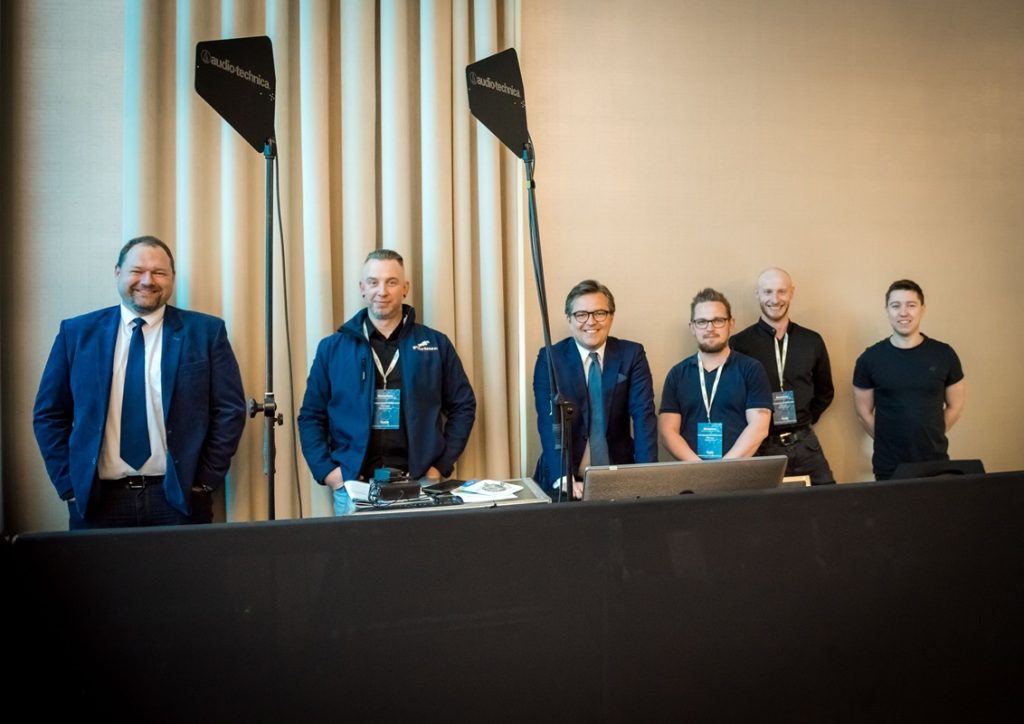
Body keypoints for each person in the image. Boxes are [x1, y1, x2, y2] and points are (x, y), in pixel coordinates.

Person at [33, 235, 247, 529]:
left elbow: (229, 411)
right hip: (97, 500)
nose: (147, 281)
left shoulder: (206, 333)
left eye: (159, 272)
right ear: (117, 272)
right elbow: (49, 414)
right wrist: (69, 484)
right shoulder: (77, 334)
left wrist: (205, 480)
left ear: (172, 278)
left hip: (178, 499)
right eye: (137, 271)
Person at [297, 249, 476, 515]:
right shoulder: (332, 349)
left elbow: (464, 406)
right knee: (357, 546)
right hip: (354, 487)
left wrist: (439, 466)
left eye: (391, 282)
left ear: (405, 288)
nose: (382, 291)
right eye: (373, 282)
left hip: (420, 484)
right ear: (362, 288)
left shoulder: (435, 344)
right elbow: (311, 416)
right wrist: (330, 474)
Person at [532, 280, 658, 501]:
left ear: (611, 317)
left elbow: (643, 417)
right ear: (569, 319)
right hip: (564, 478)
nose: (591, 322)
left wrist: (645, 477)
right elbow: (547, 420)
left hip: (619, 476)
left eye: (599, 313)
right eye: (581, 314)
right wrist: (564, 477)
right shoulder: (550, 358)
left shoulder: (632, 354)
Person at [852, 279, 966, 480]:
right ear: (887, 310)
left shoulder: (944, 354)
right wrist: (889, 440)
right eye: (896, 306)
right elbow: (863, 413)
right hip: (889, 466)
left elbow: (955, 406)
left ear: (922, 309)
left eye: (911, 305)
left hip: (935, 462)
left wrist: (932, 435)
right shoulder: (869, 359)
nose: (903, 312)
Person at [731, 268, 836, 484]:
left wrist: (803, 419)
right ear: (757, 294)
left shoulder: (812, 340)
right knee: (765, 505)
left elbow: (825, 391)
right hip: (759, 448)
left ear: (792, 293)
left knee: (828, 499)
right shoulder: (739, 344)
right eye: (767, 292)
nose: (775, 299)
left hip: (805, 444)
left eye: (781, 291)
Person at [659, 288, 772, 461]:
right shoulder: (677, 374)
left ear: (731, 323)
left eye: (718, 321)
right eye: (702, 322)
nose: (710, 328)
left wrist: (724, 468)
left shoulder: (752, 369)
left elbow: (759, 427)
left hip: (739, 471)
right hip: (692, 472)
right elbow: (668, 431)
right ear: (692, 327)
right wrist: (700, 468)